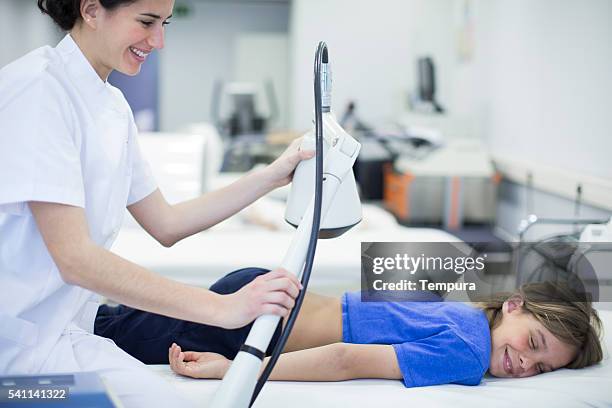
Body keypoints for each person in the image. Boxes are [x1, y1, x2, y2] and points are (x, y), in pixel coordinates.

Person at [0, 1, 311, 406]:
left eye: (164, 24)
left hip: (61, 333)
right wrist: (223, 308)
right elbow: (75, 258)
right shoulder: (38, 89)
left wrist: (272, 175)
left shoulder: (111, 105)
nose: (158, 41)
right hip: (15, 354)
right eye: (146, 22)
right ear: (92, 10)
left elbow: (166, 222)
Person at [96, 267, 604, 387]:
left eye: (541, 368)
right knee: (103, 335)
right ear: (514, 307)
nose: (524, 364)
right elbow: (345, 358)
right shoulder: (469, 351)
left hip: (265, 296)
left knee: (110, 324)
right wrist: (238, 369)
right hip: (253, 328)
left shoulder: (463, 313)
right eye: (533, 343)